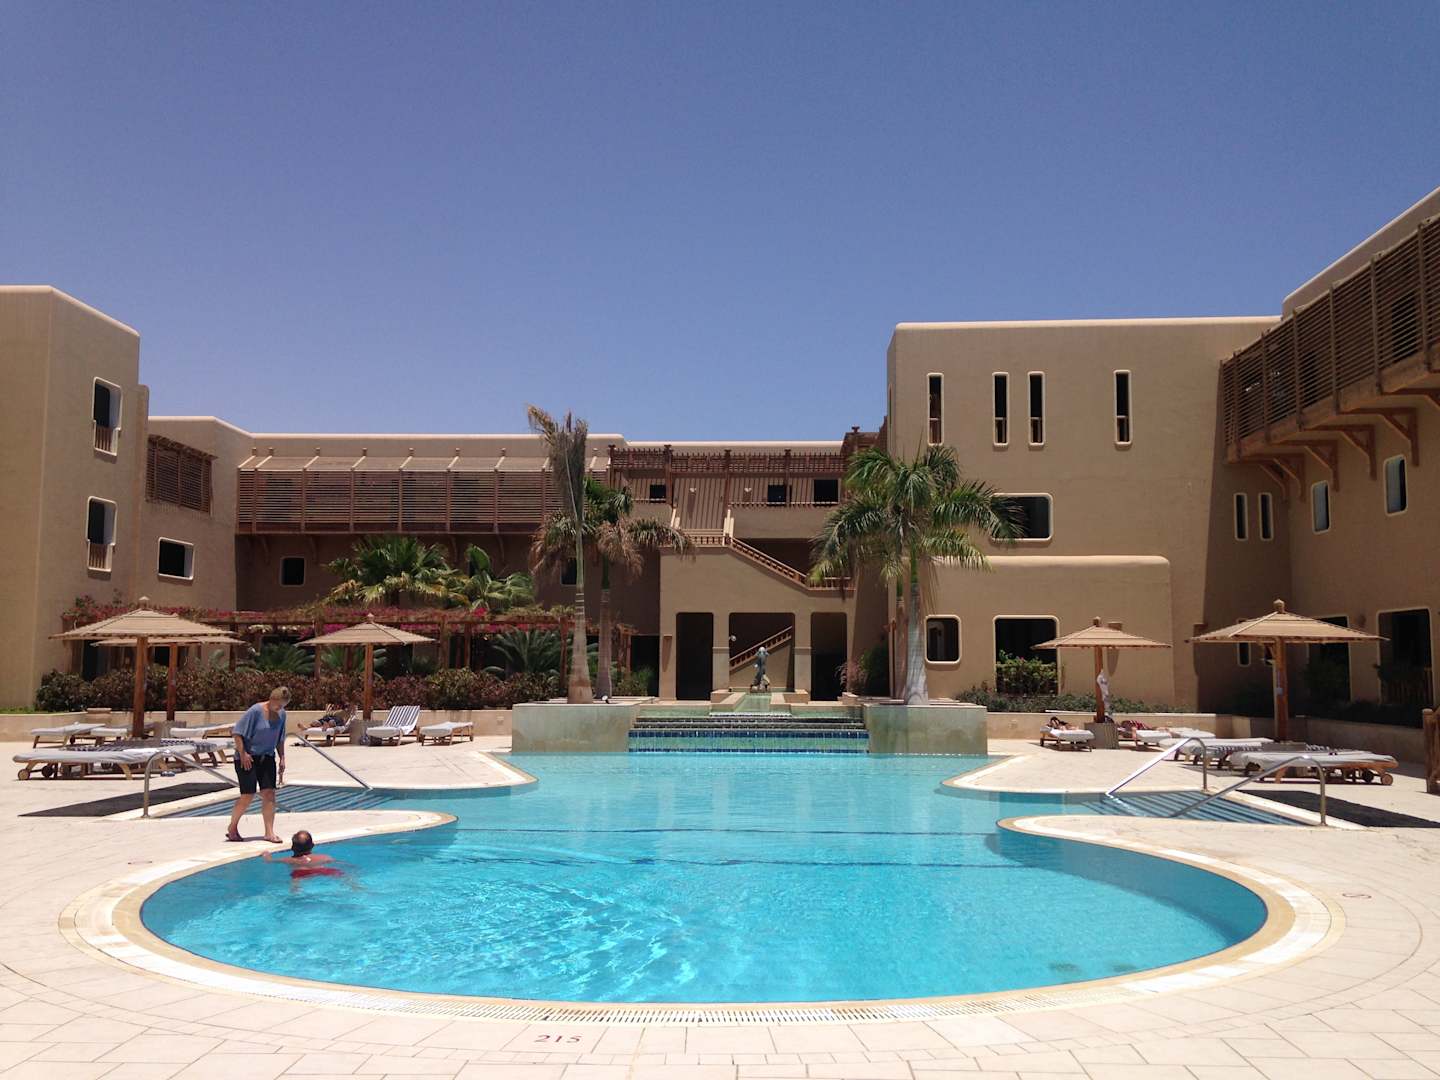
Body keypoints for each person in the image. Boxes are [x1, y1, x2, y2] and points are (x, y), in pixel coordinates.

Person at [226, 686, 289, 843]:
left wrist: (282, 757)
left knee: (269, 793)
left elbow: (280, 738)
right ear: (271, 699)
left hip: (267, 757)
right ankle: (232, 827)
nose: (280, 709)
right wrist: (243, 754)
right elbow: (237, 733)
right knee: (248, 795)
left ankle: (269, 832)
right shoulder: (255, 711)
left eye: (282, 706)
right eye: (278, 705)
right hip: (247, 757)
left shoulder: (282, 714)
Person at [262, 830, 341, 879]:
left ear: (292, 847)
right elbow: (339, 863)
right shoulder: (324, 857)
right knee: (339, 874)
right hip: (321, 870)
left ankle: (295, 890)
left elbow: (269, 861)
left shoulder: (288, 860)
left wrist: (266, 854)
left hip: (301, 872)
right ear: (312, 845)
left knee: (295, 878)